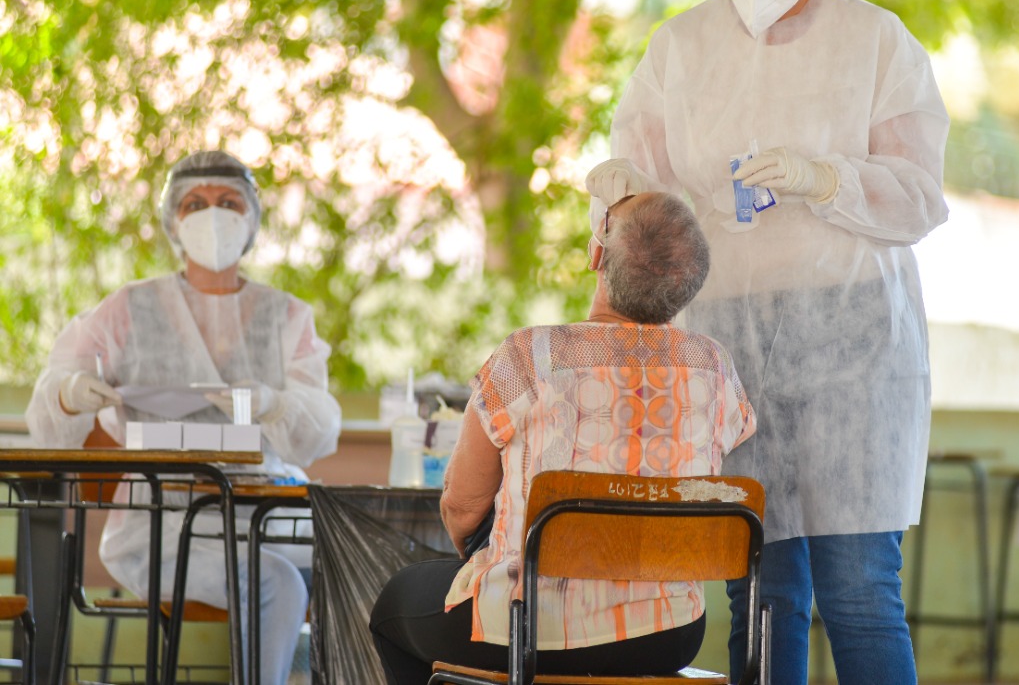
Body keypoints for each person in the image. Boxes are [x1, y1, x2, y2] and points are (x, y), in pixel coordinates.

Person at [585, 0, 950, 685]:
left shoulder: (875, 43)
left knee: (858, 591)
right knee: (759, 596)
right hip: (727, 351)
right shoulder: (681, 48)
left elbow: (921, 199)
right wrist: (621, 191)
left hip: (852, 348)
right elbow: (647, 192)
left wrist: (831, 179)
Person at [368, 192, 756, 684]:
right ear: (688, 285)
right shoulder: (714, 367)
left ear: (597, 255)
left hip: (529, 628)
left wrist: (484, 557)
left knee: (391, 609)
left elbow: (463, 510)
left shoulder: (528, 357)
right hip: (667, 631)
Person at [25, 150, 342, 685]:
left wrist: (272, 401)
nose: (211, 215)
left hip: (262, 514)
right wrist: (74, 393)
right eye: (194, 203)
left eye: (227, 202)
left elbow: (319, 429)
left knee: (352, 567)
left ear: (252, 221)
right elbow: (48, 406)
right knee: (280, 584)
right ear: (173, 219)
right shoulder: (131, 309)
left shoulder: (286, 317)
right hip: (161, 526)